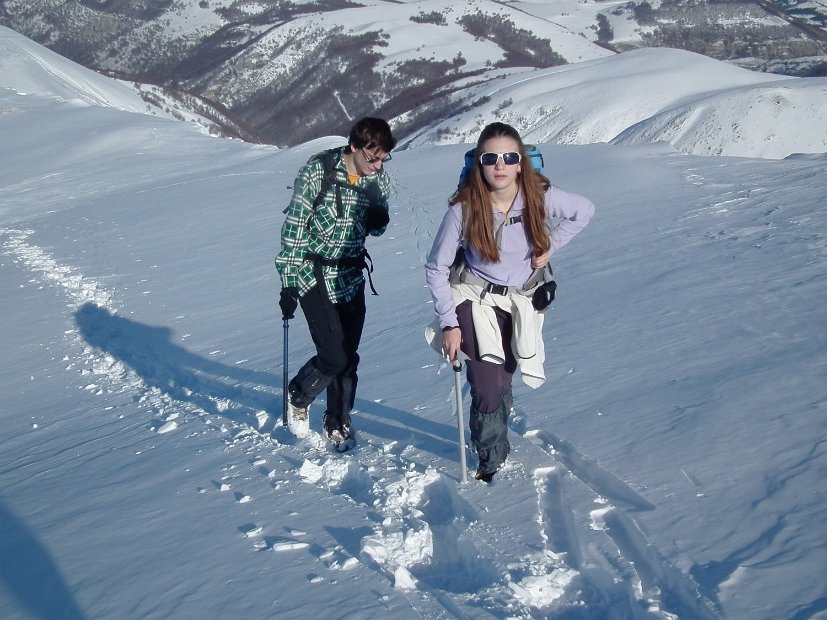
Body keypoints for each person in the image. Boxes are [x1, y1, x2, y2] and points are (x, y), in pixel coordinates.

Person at [425, 121, 594, 481]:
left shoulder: (539, 196)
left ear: (521, 163)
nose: (499, 165)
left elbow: (584, 210)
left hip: (520, 302)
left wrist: (550, 245)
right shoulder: (464, 209)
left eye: (508, 157)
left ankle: (495, 437)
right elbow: (436, 268)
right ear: (479, 165)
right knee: (486, 382)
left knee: (503, 377)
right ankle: (490, 460)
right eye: (490, 157)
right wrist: (449, 323)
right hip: (473, 298)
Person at [276, 117, 397, 446]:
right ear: (354, 147)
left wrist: (378, 219)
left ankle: (337, 419)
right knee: (333, 356)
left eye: (384, 157)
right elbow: (295, 228)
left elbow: (377, 226)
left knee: (349, 355)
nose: (379, 164)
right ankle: (299, 396)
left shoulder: (378, 180)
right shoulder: (319, 172)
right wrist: (288, 283)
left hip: (351, 276)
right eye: (373, 157)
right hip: (313, 274)